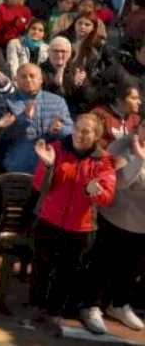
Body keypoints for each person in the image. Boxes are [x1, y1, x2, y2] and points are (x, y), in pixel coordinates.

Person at [28, 114, 115, 337]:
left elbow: (107, 197)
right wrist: (47, 166)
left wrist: (95, 192)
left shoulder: (103, 160)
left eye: (86, 131)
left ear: (96, 135)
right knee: (41, 266)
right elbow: (39, 186)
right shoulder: (56, 147)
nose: (79, 135)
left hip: (80, 228)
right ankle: (37, 306)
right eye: (77, 129)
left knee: (66, 272)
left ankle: (55, 310)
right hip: (49, 220)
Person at [84, 129, 145, 334]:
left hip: (142, 222)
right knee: (103, 262)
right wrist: (139, 158)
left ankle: (119, 305)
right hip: (116, 217)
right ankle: (91, 306)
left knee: (131, 268)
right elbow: (119, 182)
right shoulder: (122, 145)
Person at [0, 63, 73, 174]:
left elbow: (70, 134)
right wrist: (24, 119)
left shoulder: (57, 101)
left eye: (32, 76)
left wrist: (59, 130)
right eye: (23, 77)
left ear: (41, 80)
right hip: (16, 167)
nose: (28, 80)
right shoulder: (5, 102)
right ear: (16, 80)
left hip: (49, 168)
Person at [90, 82, 142, 148]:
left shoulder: (136, 119)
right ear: (119, 100)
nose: (139, 102)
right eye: (134, 98)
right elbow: (90, 140)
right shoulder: (99, 114)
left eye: (138, 98)